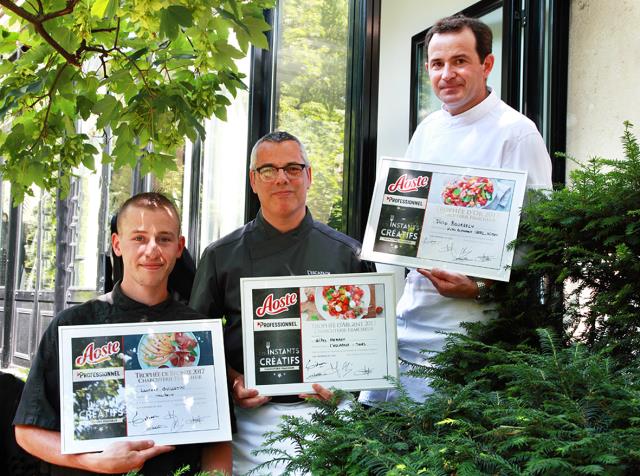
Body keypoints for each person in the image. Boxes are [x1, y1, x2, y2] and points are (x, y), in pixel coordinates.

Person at [359, 14, 552, 405]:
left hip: (470, 330)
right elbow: (405, 221)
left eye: (460, 61)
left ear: (487, 64)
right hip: (408, 319)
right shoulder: (427, 129)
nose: (447, 74)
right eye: (437, 63)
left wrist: (481, 287)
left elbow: (540, 241)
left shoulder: (516, 133)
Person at [190, 131, 374, 475]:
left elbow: (370, 342)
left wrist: (345, 383)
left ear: (309, 176)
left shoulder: (348, 254)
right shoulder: (220, 256)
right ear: (253, 181)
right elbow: (199, 345)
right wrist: (233, 384)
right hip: (248, 424)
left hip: (328, 417)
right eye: (268, 170)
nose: (281, 178)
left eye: (292, 168)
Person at [13, 192, 232, 475]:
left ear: (179, 247)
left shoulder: (197, 333)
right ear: (117, 244)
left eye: (164, 238)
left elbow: (219, 440)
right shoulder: (75, 325)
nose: (152, 249)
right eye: (139, 238)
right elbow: (27, 430)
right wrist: (90, 460)